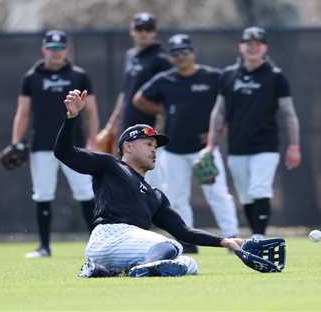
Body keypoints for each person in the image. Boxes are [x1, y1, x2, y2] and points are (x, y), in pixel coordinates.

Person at [53, 89, 285, 277]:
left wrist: (226, 241)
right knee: (172, 248)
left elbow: (182, 230)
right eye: (148, 144)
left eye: (155, 147)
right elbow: (65, 153)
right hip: (109, 236)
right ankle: (139, 269)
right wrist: (71, 118)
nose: (154, 150)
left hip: (129, 246)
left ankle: (105, 272)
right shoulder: (110, 166)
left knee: (189, 265)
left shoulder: (155, 196)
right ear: (128, 147)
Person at [133, 34, 239, 253]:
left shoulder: (212, 77)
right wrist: (164, 110)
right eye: (175, 53)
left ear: (193, 53)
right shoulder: (166, 79)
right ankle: (188, 240)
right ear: (171, 57)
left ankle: (232, 237)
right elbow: (139, 98)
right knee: (177, 197)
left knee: (217, 194)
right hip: (173, 150)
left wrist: (220, 130)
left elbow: (231, 103)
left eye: (184, 52)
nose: (180, 57)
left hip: (204, 151)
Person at [204, 27, 301, 240]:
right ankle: (255, 234)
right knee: (246, 195)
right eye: (249, 44)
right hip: (237, 146)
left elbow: (289, 114)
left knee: (259, 188)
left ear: (265, 48)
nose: (253, 48)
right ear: (241, 47)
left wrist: (294, 146)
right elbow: (218, 112)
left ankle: (258, 237)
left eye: (257, 44)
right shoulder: (228, 75)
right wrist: (211, 144)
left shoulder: (276, 77)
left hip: (266, 145)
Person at [11, 30, 99, 259]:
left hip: (74, 145)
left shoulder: (79, 75)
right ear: (44, 49)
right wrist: (16, 142)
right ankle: (44, 247)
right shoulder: (32, 77)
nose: (56, 52)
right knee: (42, 194)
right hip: (42, 145)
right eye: (52, 48)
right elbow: (23, 112)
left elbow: (91, 111)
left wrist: (92, 140)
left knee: (85, 192)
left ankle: (98, 243)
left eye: (60, 48)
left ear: (67, 50)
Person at [101, 12, 171, 189]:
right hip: (130, 126)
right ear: (132, 31)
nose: (144, 33)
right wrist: (112, 123)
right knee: (130, 179)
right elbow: (126, 91)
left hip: (149, 129)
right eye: (140, 28)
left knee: (155, 183)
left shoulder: (161, 59)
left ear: (154, 32)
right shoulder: (131, 55)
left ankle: (162, 216)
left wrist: (162, 122)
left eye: (148, 29)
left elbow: (170, 95)